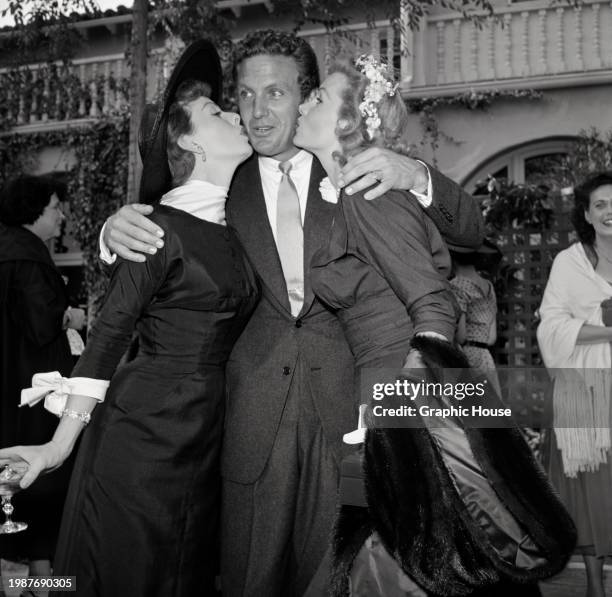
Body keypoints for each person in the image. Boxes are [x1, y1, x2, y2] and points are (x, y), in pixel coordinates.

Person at [100, 30, 485, 596]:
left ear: (305, 98)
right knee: (249, 578)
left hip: (351, 409)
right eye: (247, 95)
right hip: (250, 417)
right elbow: (164, 239)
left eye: (275, 93)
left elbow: (469, 231)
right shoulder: (220, 182)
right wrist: (113, 236)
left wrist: (418, 176)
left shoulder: (353, 162)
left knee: (345, 577)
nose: (257, 111)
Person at [301, 56, 574, 597]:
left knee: (413, 561)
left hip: (401, 387)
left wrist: (400, 404)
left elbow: (431, 303)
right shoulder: (349, 193)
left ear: (351, 120)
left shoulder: (368, 194)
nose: (305, 102)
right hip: (395, 386)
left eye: (318, 98)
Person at [0, 41, 258, 597]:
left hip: (205, 436)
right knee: (129, 572)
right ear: (189, 140)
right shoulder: (153, 226)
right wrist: (57, 446)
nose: (236, 114)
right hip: (144, 434)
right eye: (217, 113)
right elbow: (110, 335)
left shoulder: (232, 229)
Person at [0, 175, 84, 589]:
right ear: (33, 209)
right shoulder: (29, 259)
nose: (61, 214)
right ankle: (40, 577)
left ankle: (33, 576)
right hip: (30, 398)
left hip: (10, 391)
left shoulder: (9, 250)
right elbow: (39, 325)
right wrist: (70, 315)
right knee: (40, 483)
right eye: (55, 207)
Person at [537, 171, 612, 597]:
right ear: (586, 213)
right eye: (600, 204)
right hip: (585, 390)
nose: (609, 211)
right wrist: (607, 328)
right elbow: (551, 327)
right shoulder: (570, 262)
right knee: (592, 484)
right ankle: (595, 585)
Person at [449, 240, 502, 394]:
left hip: (466, 357)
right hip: (486, 358)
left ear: (452, 257)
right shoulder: (489, 286)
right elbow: (492, 337)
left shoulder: (456, 285)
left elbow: (461, 336)